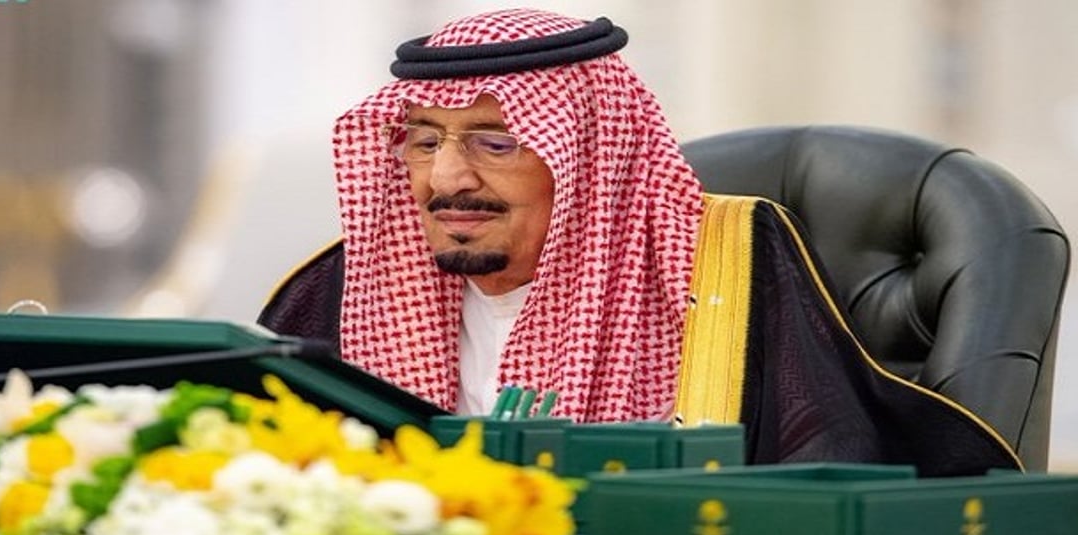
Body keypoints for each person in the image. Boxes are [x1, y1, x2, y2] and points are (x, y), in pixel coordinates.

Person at [261, 8, 1020, 476]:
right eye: (424, 142)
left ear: (588, 153)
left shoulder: (724, 270)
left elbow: (823, 473)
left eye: (495, 143)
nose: (445, 177)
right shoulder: (336, 293)